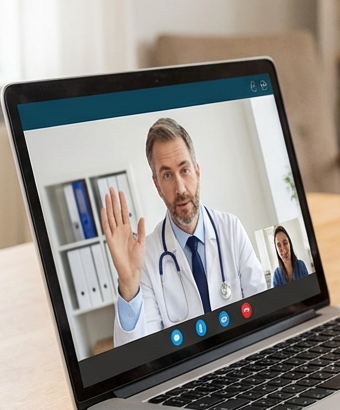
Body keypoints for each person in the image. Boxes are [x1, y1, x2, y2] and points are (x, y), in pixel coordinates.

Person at [103, 117, 266, 345]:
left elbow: (265, 314)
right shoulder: (146, 258)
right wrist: (129, 283)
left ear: (197, 172)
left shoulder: (231, 229)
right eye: (167, 175)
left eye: (185, 170)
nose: (180, 189)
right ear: (157, 185)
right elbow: (140, 356)